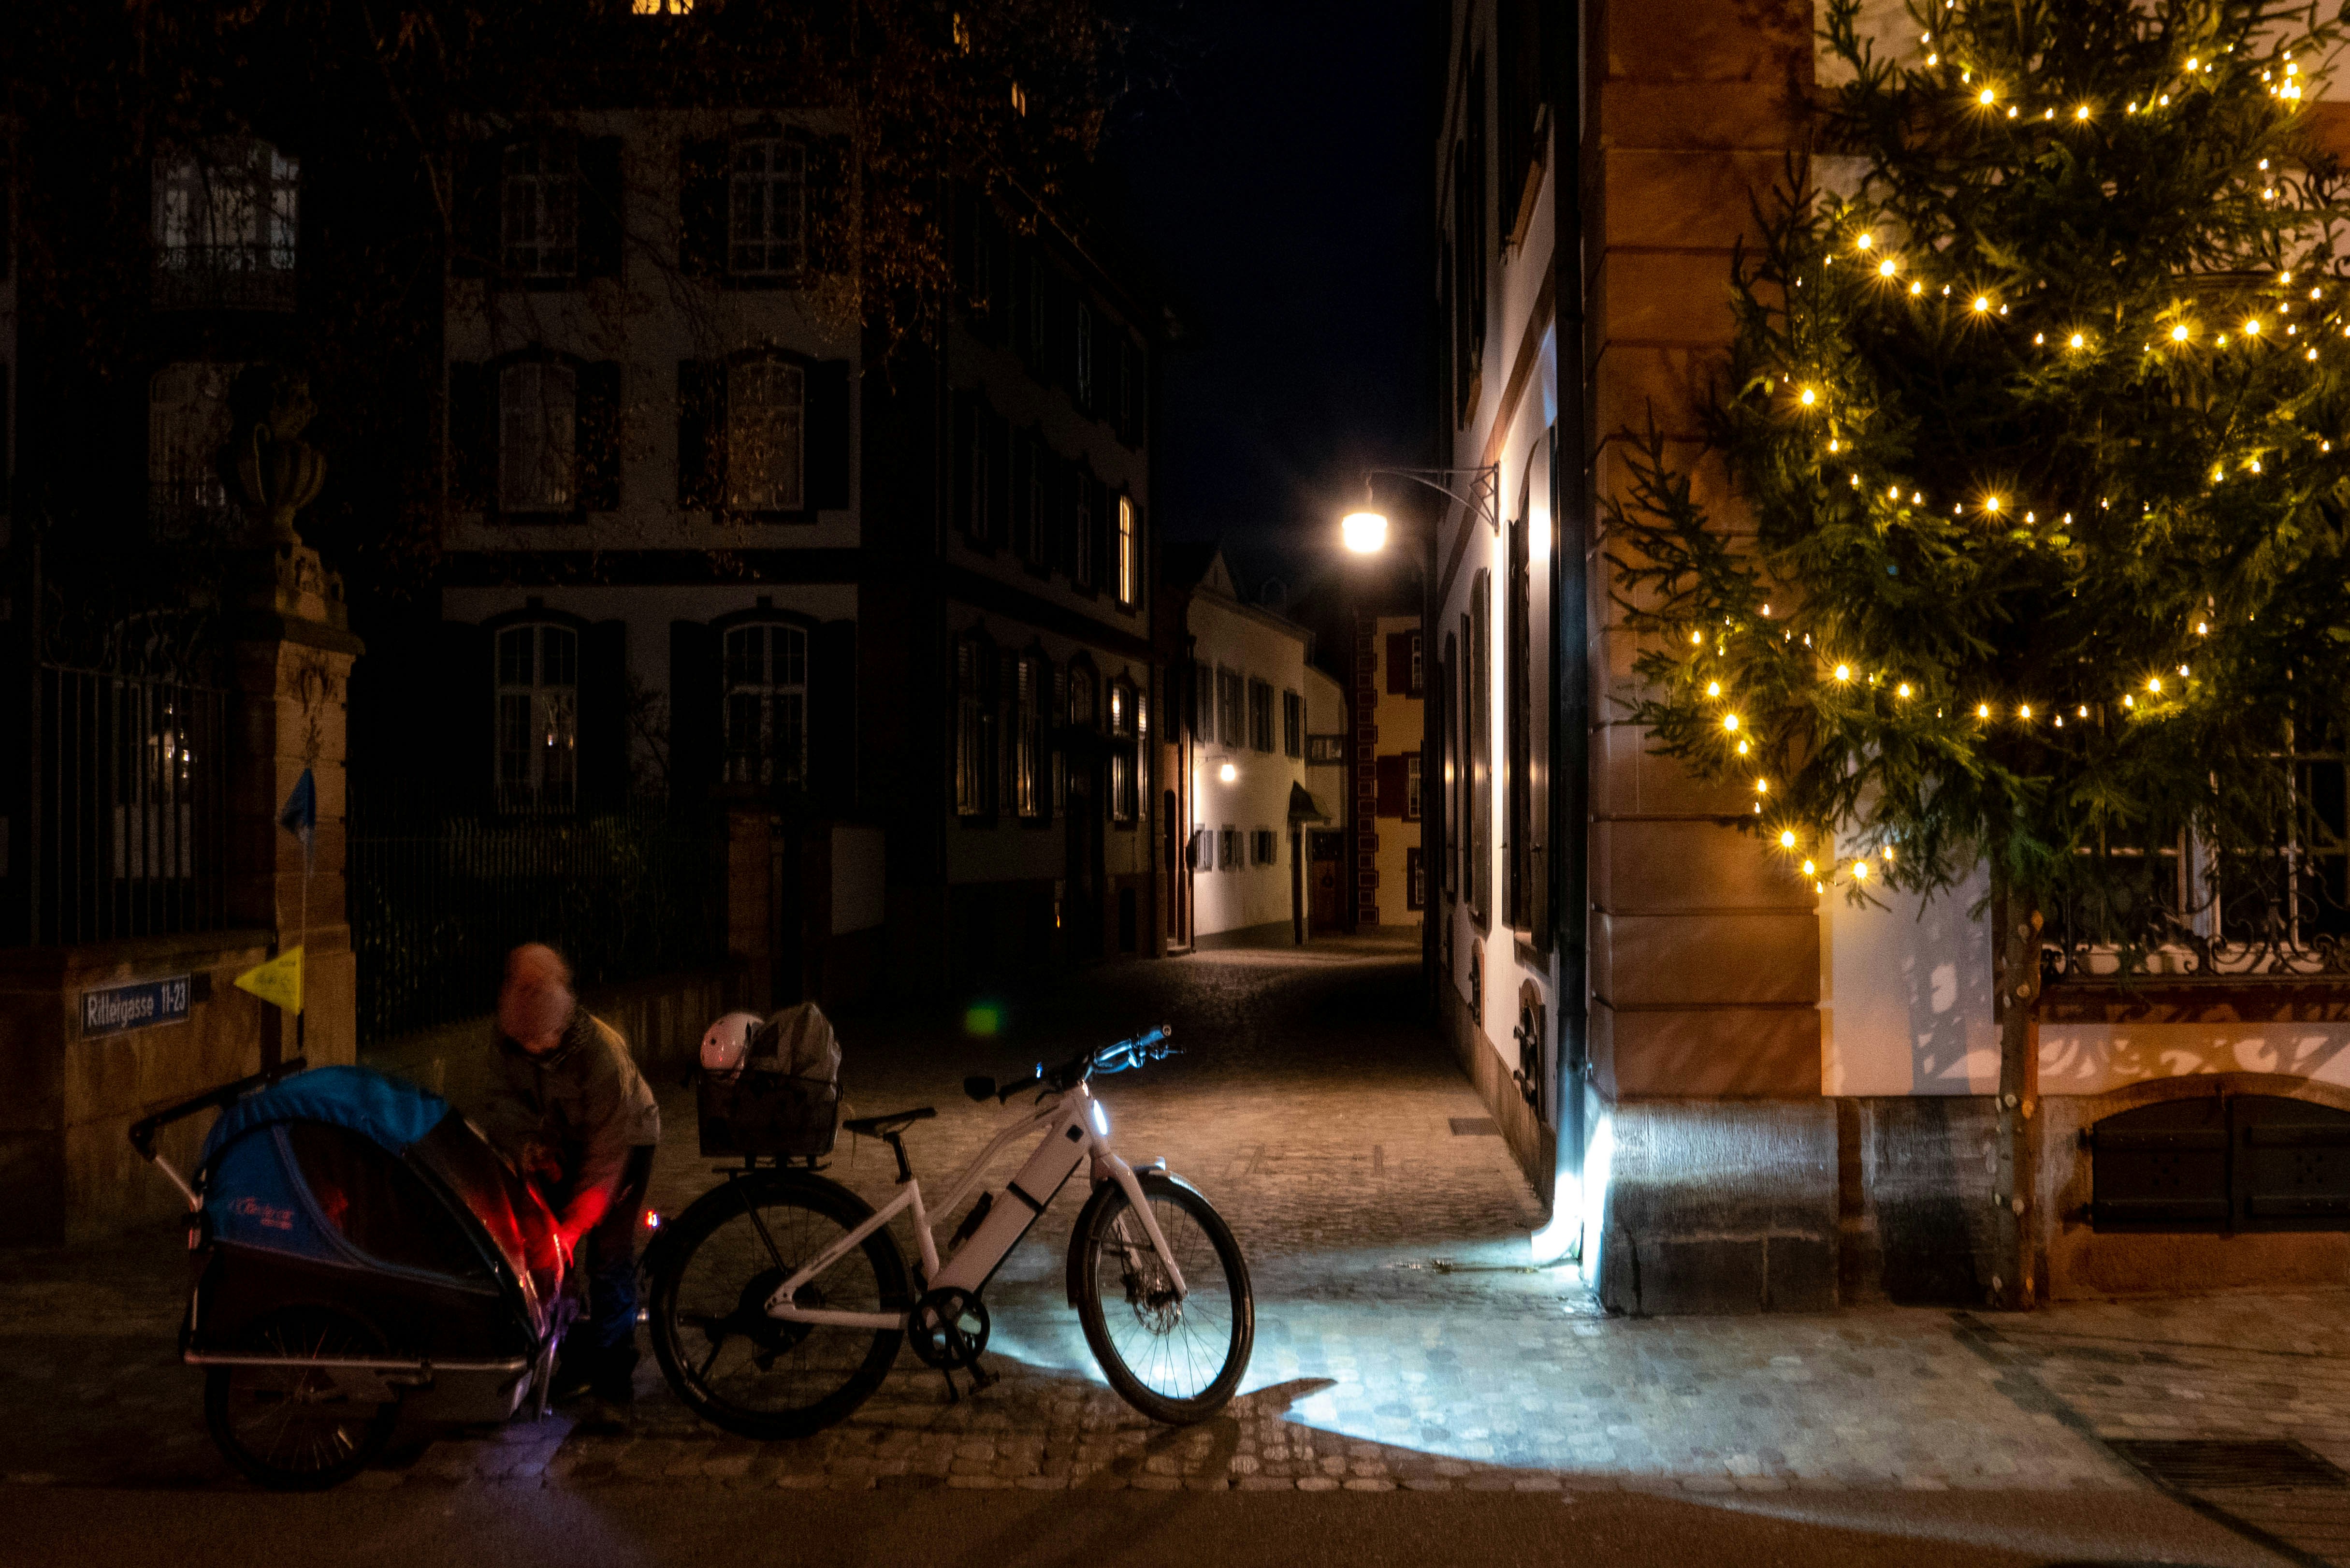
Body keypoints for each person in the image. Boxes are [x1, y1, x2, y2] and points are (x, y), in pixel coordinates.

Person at [479, 943, 660, 1404]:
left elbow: (607, 1152)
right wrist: (528, 1146)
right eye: (528, 1047)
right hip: (563, 1140)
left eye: (544, 1043)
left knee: (609, 1255)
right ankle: (577, 1360)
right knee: (556, 1257)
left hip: (628, 1138)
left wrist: (576, 1224)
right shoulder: (507, 1039)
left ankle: (614, 1372)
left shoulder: (600, 1054)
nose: (536, 1052)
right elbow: (500, 1103)